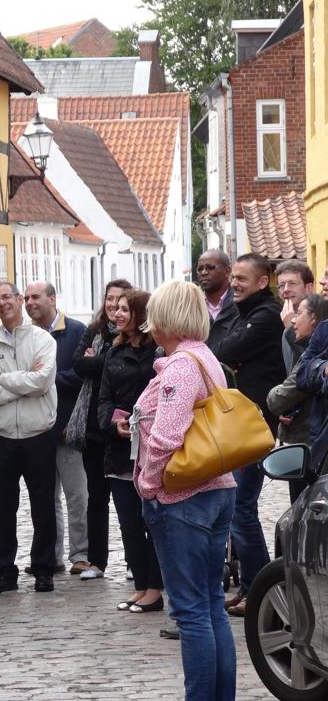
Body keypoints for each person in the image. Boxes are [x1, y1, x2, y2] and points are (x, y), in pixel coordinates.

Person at [134, 280, 238, 701]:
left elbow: (166, 436)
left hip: (183, 495)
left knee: (192, 612)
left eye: (154, 316)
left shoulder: (180, 365)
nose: (149, 325)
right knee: (211, 605)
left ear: (168, 320)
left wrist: (147, 482)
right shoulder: (206, 357)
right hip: (216, 489)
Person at [0, 282, 58, 593]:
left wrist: (5, 380)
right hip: (2, 436)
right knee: (3, 507)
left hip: (39, 433)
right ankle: (4, 572)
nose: (1, 304)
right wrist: (22, 382)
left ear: (19, 300)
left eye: (6, 297)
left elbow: (41, 381)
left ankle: (44, 568)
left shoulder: (42, 340)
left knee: (43, 505)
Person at [214, 252, 283, 616]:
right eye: (234, 277)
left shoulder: (266, 316)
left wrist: (233, 356)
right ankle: (254, 589)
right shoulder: (243, 314)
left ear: (261, 281)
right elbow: (223, 353)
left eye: (243, 278)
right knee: (240, 510)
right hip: (240, 426)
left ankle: (261, 591)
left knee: (241, 510)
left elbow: (225, 350)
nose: (235, 283)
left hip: (255, 429)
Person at [97, 289, 163, 613]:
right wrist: (113, 424)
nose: (118, 313)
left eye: (125, 309)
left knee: (151, 521)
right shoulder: (113, 351)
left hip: (151, 449)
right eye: (116, 308)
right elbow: (104, 399)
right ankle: (140, 586)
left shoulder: (158, 352)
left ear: (141, 314)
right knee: (128, 523)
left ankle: (155, 587)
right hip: (119, 449)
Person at [24, 281, 89, 576]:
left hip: (68, 429)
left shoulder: (75, 331)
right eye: (26, 297)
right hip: (37, 431)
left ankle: (81, 554)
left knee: (77, 496)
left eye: (35, 296)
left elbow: (79, 376)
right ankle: (51, 555)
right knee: (45, 499)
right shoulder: (25, 336)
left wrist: (42, 380)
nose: (29, 302)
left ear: (52, 298)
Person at [70, 279, 133, 579]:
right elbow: (77, 365)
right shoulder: (94, 331)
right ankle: (97, 561)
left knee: (130, 499)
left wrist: (99, 361)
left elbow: (123, 367)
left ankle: (136, 561)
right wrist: (101, 362)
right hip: (94, 428)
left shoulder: (137, 337)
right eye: (110, 299)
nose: (114, 306)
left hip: (124, 427)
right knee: (97, 498)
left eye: (121, 300)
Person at [268, 294, 328, 502]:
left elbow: (278, 398)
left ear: (313, 318)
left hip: (310, 448)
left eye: (299, 313)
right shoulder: (308, 344)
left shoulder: (315, 348)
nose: (293, 319)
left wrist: (278, 394)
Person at [275, 260, 315, 375]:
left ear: (309, 288)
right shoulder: (284, 317)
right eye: (281, 285)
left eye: (292, 283)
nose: (286, 289)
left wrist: (291, 329)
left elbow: (311, 363)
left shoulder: (318, 318)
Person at [198, 250, 238, 355]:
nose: (204, 272)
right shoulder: (191, 306)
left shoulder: (240, 304)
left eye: (210, 268)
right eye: (200, 269)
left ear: (227, 271)